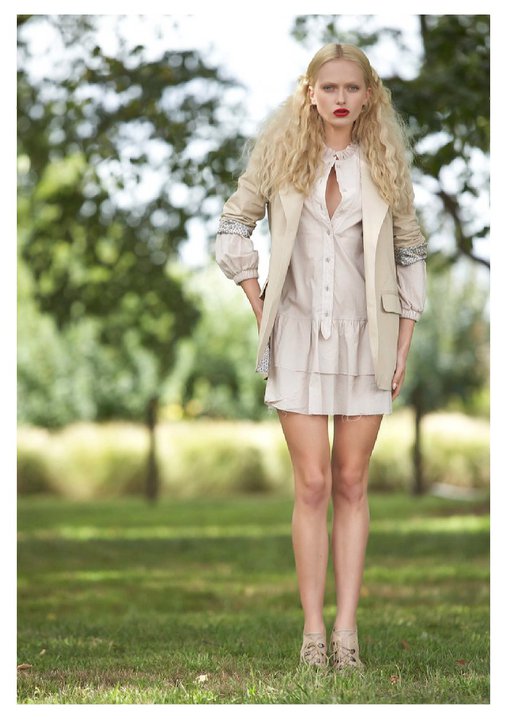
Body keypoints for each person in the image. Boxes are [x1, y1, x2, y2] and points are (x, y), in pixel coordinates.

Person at [215, 43, 427, 671]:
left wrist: (403, 344)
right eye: (329, 87)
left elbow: (410, 253)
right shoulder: (281, 154)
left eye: (351, 88)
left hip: (370, 338)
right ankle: (312, 636)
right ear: (310, 92)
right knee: (311, 484)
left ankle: (347, 634)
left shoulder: (384, 163)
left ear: (368, 96)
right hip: (297, 335)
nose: (340, 98)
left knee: (352, 482)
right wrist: (260, 306)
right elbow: (233, 227)